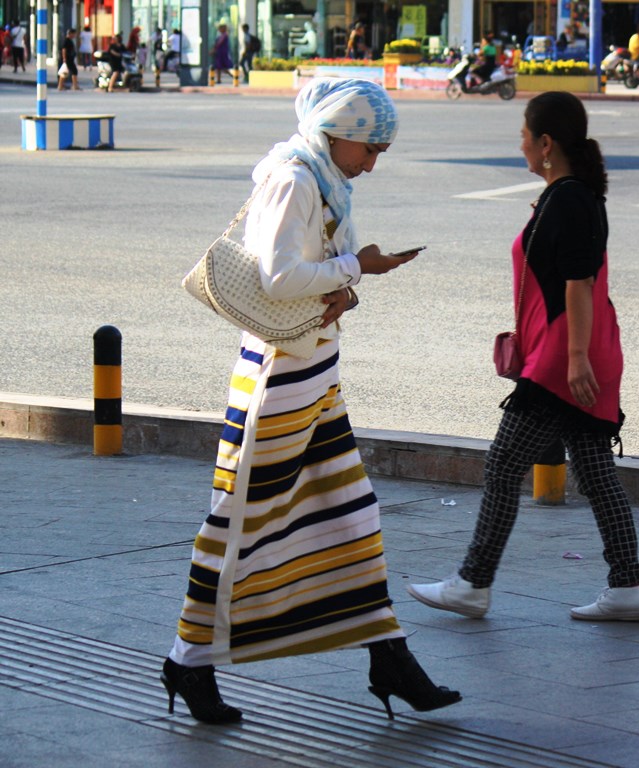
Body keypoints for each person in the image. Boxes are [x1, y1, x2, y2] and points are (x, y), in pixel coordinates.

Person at [160, 77, 461, 725]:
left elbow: (312, 273)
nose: (374, 161)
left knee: (351, 515)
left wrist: (345, 286)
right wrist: (360, 269)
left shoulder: (323, 179)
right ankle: (187, 661)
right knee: (238, 519)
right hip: (278, 376)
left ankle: (389, 656)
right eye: (370, 147)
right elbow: (277, 277)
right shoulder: (296, 179)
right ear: (338, 134)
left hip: (313, 371)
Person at [407, 91, 639, 624]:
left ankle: (472, 582)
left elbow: (580, 284)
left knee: (503, 463)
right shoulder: (569, 195)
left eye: (523, 136)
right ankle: (627, 586)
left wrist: (577, 359)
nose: (519, 146)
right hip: (572, 352)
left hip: (567, 357)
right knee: (594, 469)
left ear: (545, 144)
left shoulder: (570, 200)